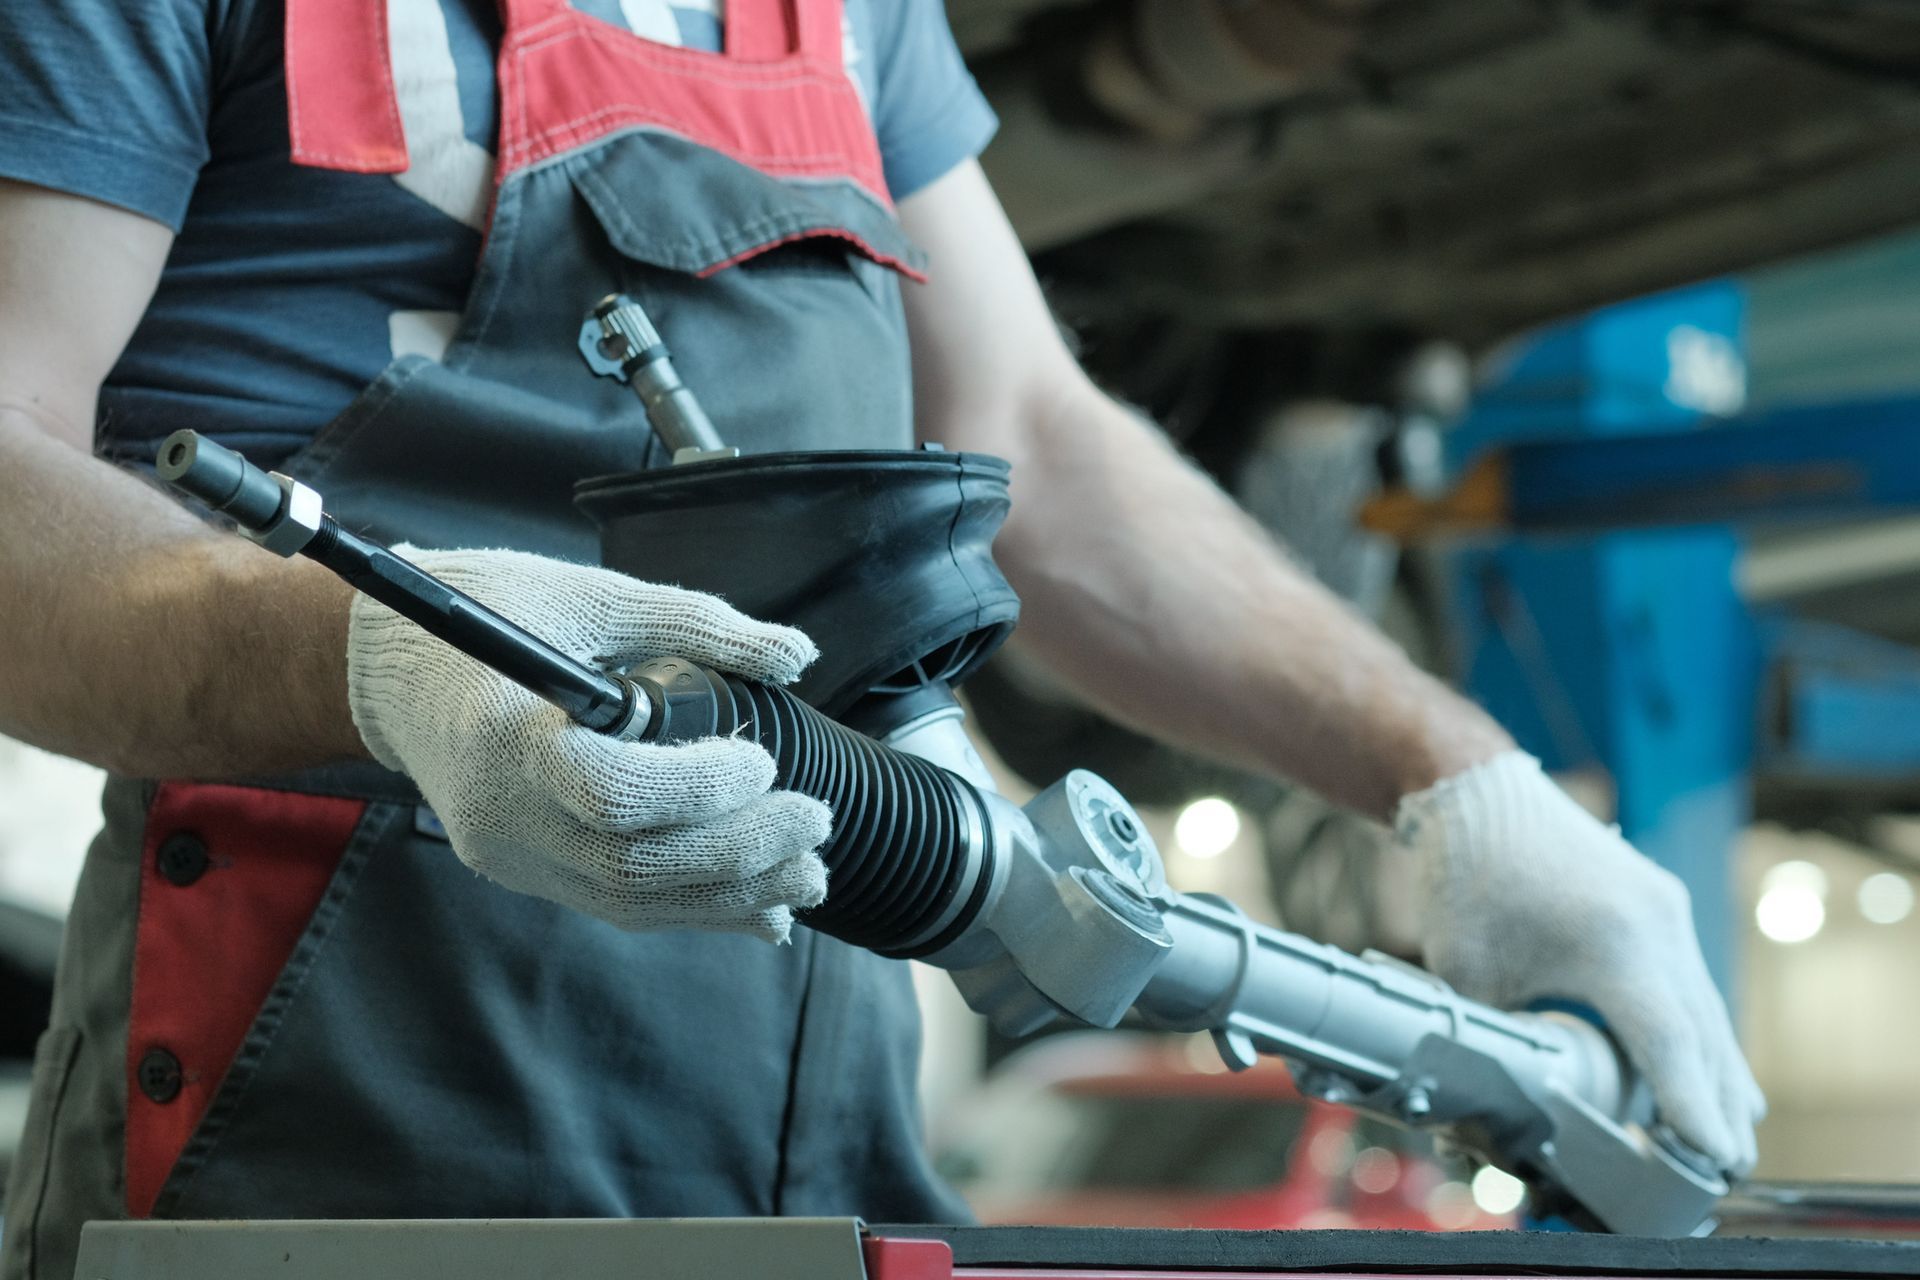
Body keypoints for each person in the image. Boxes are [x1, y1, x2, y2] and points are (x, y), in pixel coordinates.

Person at [0, 1, 1761, 1277]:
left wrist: (1465, 787)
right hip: (333, 1127)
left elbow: (1037, 453)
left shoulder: (847, 15)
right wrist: (385, 664)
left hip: (813, 1129)